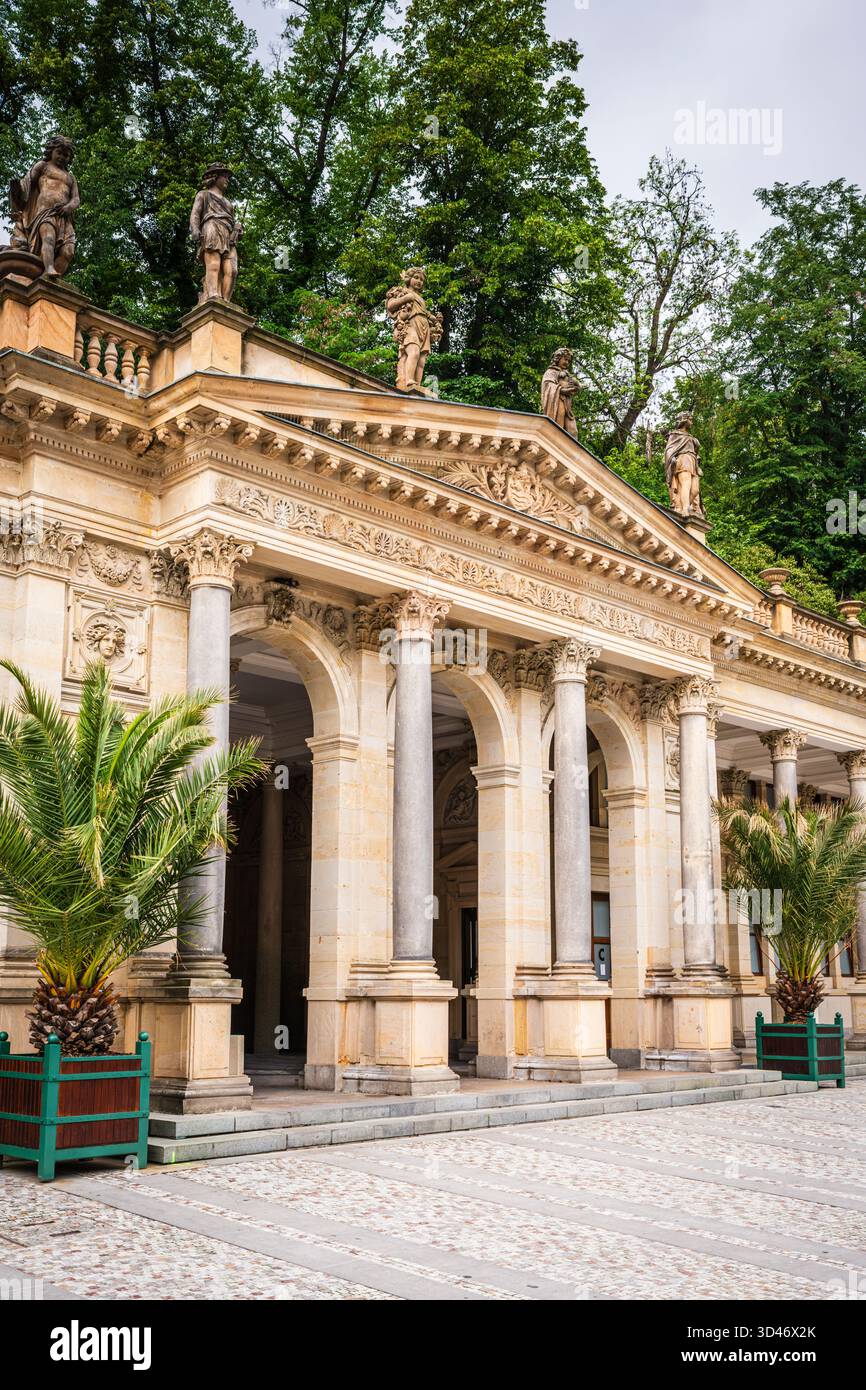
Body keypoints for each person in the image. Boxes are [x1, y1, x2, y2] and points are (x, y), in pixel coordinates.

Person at [10, 135, 79, 277]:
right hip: (45, 212)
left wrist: (68, 208)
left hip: (64, 217)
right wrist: (17, 191)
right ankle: (49, 269)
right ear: (51, 151)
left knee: (69, 251)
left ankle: (50, 281)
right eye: (59, 152)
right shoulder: (43, 166)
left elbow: (76, 198)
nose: (61, 157)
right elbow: (27, 185)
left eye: (65, 155)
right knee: (48, 239)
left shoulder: (70, 177)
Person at [189, 162, 242, 303]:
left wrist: (238, 229)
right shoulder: (204, 194)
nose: (227, 180)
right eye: (225, 176)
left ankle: (225, 301)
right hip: (211, 227)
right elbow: (195, 213)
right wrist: (195, 229)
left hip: (229, 234)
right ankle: (213, 295)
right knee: (214, 264)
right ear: (215, 177)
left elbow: (231, 220)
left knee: (232, 270)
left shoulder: (228, 203)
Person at [385, 267, 443, 392]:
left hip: (424, 327)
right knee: (414, 351)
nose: (419, 281)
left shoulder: (421, 299)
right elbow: (390, 305)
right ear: (408, 278)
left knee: (421, 359)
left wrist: (436, 320)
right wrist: (406, 298)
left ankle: (417, 384)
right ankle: (408, 380)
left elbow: (426, 313)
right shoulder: (402, 291)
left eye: (421, 280)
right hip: (410, 324)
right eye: (416, 277)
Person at [664, 411, 705, 517]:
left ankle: (686, 506)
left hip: (692, 461)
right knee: (685, 485)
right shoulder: (675, 435)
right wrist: (672, 460)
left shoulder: (690, 436)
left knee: (695, 490)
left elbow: (696, 451)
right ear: (684, 420)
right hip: (683, 460)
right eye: (690, 419)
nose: (691, 422)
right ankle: (685, 509)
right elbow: (669, 450)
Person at [540, 347, 580, 437]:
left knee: (573, 431)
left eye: (568, 361)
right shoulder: (551, 372)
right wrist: (562, 390)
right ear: (558, 358)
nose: (567, 363)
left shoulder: (567, 374)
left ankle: (570, 450)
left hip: (567, 404)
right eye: (565, 359)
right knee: (558, 424)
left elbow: (577, 386)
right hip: (556, 402)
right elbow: (547, 385)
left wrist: (575, 387)